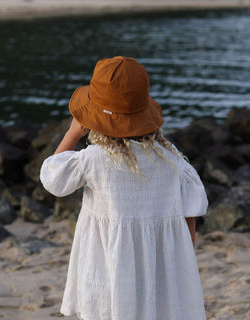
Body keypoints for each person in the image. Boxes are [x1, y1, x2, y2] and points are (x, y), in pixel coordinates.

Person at [40, 56, 209, 320]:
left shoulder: (93, 159)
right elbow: (190, 213)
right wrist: (181, 263)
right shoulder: (172, 159)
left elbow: (52, 178)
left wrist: (72, 133)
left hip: (105, 268)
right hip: (160, 270)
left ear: (93, 119)